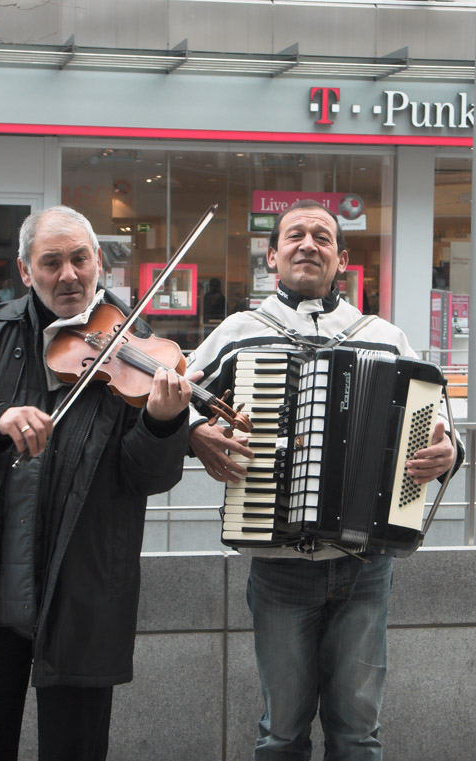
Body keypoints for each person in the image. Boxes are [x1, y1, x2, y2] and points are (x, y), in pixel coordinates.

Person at [0, 205, 197, 761]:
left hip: (82, 593)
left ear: (99, 262)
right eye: (51, 262)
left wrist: (163, 423)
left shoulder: (136, 349)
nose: (68, 275)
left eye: (80, 259)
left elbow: (148, 477)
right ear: (25, 270)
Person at [186, 200, 461, 760]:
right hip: (279, 570)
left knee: (358, 733)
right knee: (281, 732)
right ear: (272, 256)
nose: (308, 244)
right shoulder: (240, 332)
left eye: (322, 237)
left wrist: (448, 452)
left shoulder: (383, 336)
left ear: (341, 258)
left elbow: (441, 426)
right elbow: (172, 393)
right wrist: (194, 430)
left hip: (365, 567)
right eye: (295, 235)